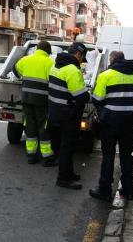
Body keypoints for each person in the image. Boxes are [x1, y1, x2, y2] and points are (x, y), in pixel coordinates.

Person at [89, 51, 133, 201]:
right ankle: (128, 190)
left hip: (110, 123)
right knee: (126, 156)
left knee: (108, 156)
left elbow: (97, 99)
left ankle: (104, 190)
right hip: (129, 124)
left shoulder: (106, 75)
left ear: (112, 60)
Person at [48, 42, 90, 190]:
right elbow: (79, 96)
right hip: (68, 114)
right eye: (82, 58)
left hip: (56, 111)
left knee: (64, 145)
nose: (81, 62)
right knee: (68, 146)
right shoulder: (72, 69)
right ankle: (63, 178)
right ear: (79, 54)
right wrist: (88, 95)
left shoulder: (56, 65)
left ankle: (69, 172)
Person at [13, 40, 57, 166]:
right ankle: (47, 157)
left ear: (37, 49)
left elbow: (15, 71)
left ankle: (31, 155)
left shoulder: (26, 59)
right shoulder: (50, 62)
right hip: (42, 100)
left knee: (30, 126)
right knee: (43, 126)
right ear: (48, 51)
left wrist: (25, 75)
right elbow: (54, 80)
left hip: (26, 99)